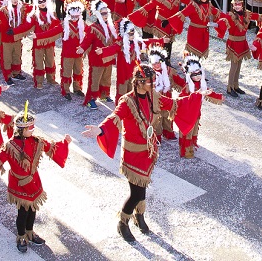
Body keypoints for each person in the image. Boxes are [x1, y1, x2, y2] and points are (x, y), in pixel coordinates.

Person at [82, 61, 203, 242]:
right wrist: (100, 129)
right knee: (136, 193)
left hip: (148, 153)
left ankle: (140, 217)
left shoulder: (153, 95)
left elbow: (172, 104)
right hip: (133, 154)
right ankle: (123, 222)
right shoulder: (127, 101)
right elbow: (115, 116)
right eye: (149, 81)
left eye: (152, 81)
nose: (152, 84)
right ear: (138, 82)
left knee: (143, 187)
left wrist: (196, 97)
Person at [0, 106, 70, 252]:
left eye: (33, 127)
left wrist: (65, 142)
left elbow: (52, 147)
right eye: (30, 127)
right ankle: (21, 236)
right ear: (22, 129)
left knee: (33, 209)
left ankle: (30, 232)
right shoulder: (10, 146)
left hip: (34, 181)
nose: (33, 129)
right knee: (22, 212)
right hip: (19, 184)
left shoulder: (37, 141)